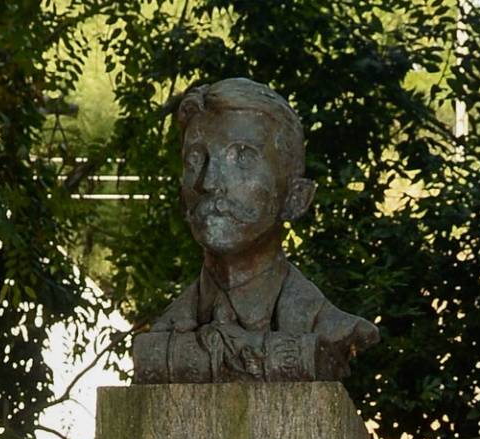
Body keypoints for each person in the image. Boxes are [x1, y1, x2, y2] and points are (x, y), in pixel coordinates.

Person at [132, 77, 378, 385]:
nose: (208, 183)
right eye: (196, 159)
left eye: (243, 159)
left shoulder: (332, 329)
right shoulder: (164, 331)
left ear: (296, 197)